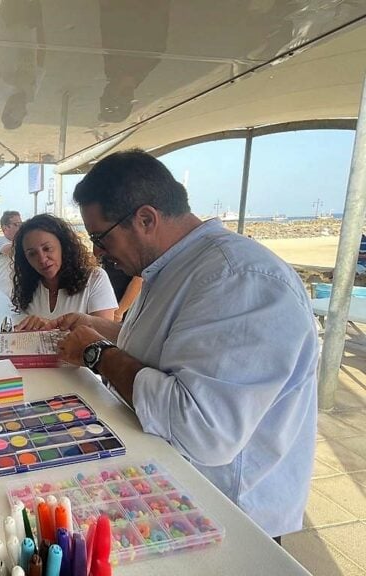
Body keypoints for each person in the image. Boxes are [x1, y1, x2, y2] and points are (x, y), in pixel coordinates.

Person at [55, 149, 318, 541]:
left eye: (101, 238)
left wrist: (96, 353)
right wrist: (100, 331)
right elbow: (164, 349)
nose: (97, 254)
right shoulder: (171, 267)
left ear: (145, 219)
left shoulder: (239, 280)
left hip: (231, 519)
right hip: (173, 496)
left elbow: (201, 428)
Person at [11, 213, 118, 330]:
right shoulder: (27, 287)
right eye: (32, 254)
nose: (42, 259)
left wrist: (50, 327)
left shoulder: (95, 278)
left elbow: (104, 336)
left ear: (63, 245)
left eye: (47, 248)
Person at [0, 210, 22, 298]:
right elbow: (10, 250)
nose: (20, 227)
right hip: (2, 293)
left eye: (21, 224)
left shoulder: (21, 243)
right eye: (16, 224)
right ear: (5, 228)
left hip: (18, 292)